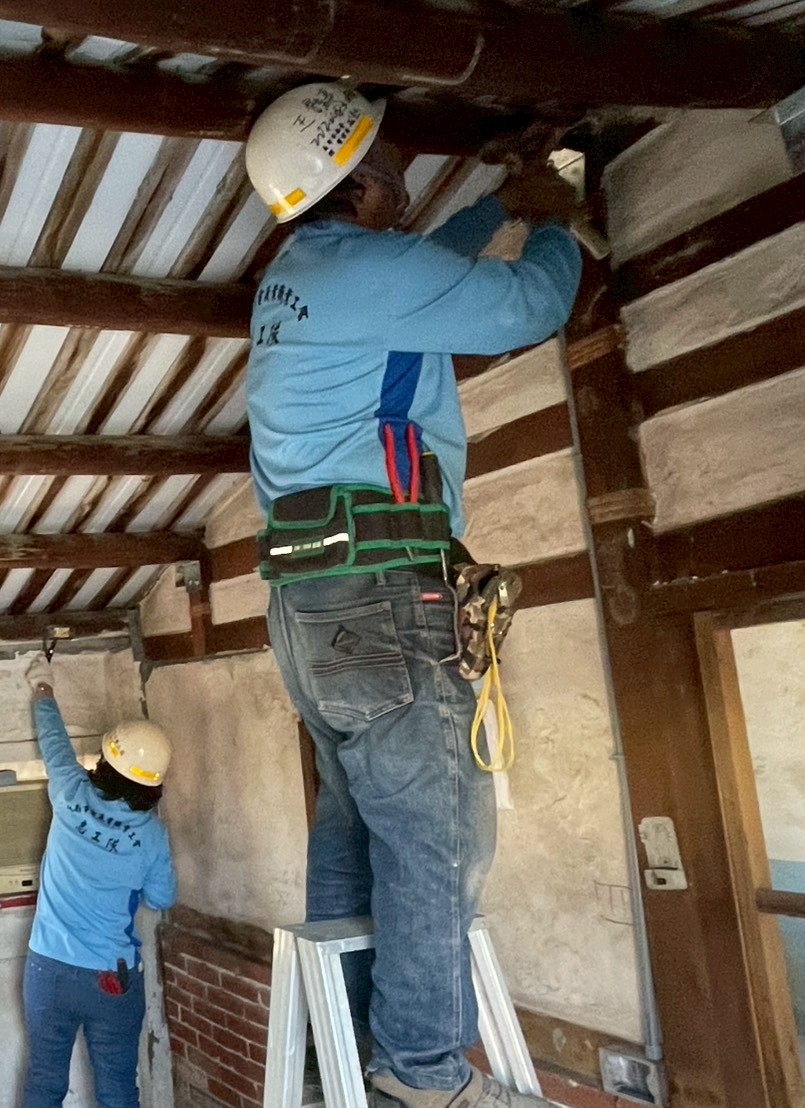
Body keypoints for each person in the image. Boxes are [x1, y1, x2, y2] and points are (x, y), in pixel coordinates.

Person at [242, 84, 582, 1108]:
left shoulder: (296, 277)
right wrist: (555, 216)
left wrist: (501, 202)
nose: (399, 173)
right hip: (383, 595)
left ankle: (348, 1047)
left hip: (308, 605)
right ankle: (423, 1074)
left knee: (354, 827)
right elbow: (528, 305)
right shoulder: (369, 273)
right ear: (363, 180)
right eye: (385, 160)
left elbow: (426, 270)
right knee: (437, 837)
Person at [21, 654, 176, 1108]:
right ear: (153, 785)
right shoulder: (151, 836)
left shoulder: (70, 791)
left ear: (106, 762)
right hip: (111, 977)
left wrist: (43, 686)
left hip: (48, 969)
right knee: (117, 1089)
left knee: (44, 1083)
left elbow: (54, 742)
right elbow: (162, 897)